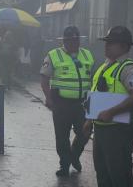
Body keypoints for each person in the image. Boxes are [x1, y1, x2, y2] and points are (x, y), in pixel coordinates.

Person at [82, 26, 133, 187]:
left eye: (111, 43)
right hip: (102, 130)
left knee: (121, 178)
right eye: (106, 42)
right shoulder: (105, 67)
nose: (107, 46)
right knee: (103, 173)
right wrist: (90, 119)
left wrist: (112, 111)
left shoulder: (128, 69)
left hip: (118, 132)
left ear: (124, 46)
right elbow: (97, 96)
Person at [40, 26, 94, 177]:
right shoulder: (53, 55)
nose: (73, 43)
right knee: (62, 137)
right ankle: (64, 165)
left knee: (84, 132)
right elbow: (44, 79)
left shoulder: (88, 55)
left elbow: (94, 79)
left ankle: (74, 155)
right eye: (70, 41)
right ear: (64, 41)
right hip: (61, 103)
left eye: (76, 40)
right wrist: (48, 98)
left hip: (83, 102)